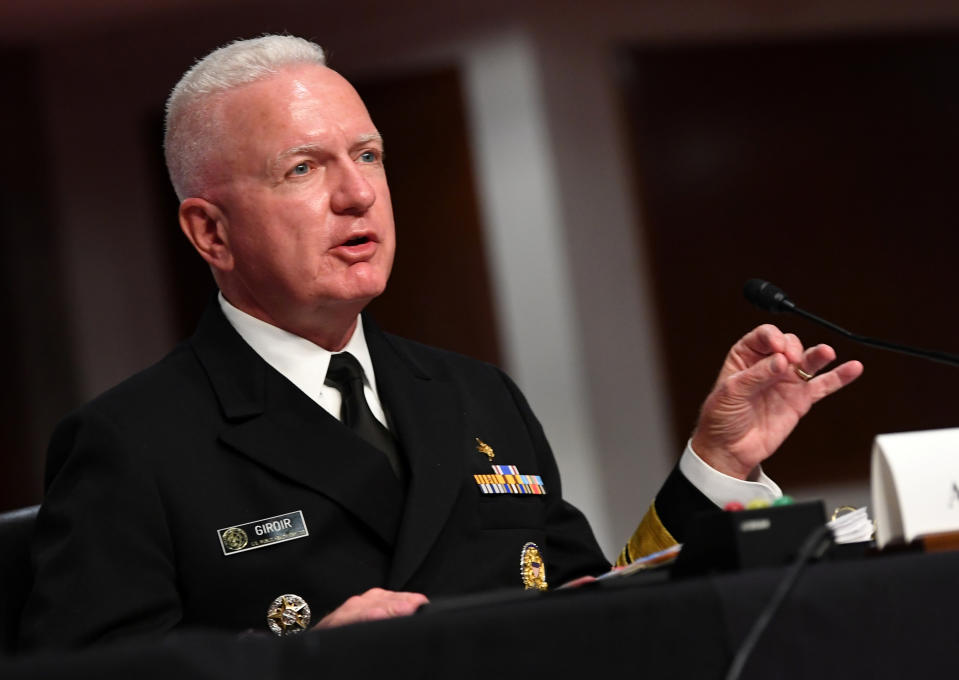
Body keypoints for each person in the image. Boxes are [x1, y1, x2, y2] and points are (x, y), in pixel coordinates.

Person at [19, 35, 862, 649]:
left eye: (369, 155)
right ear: (210, 233)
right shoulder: (131, 444)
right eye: (304, 169)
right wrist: (290, 663)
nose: (357, 195)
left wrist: (715, 465)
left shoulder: (473, 396)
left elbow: (594, 610)